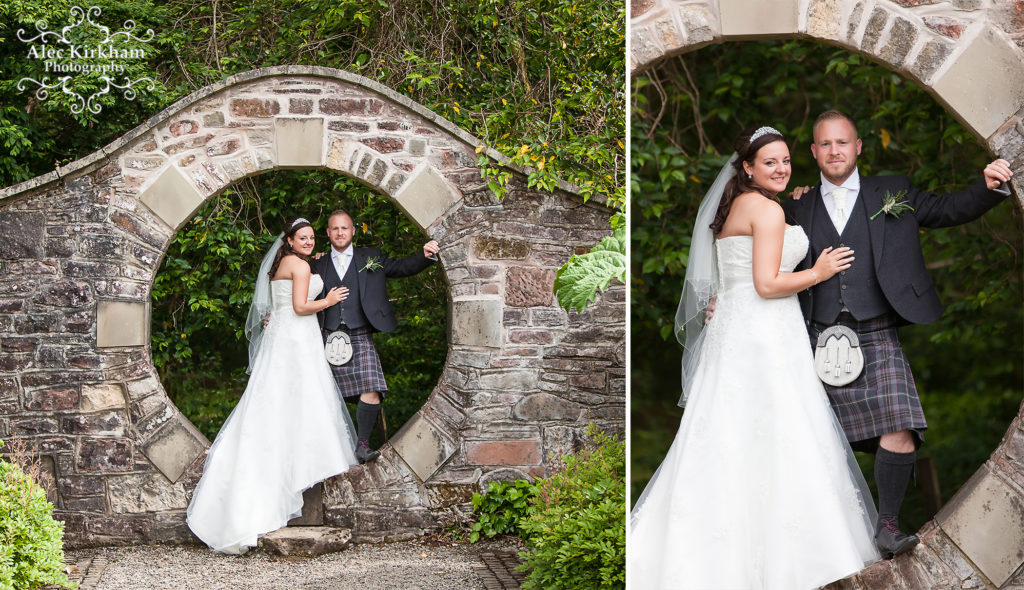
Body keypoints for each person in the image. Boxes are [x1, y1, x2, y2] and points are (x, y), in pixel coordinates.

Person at [629, 126, 881, 589]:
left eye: (786, 161)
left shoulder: (740, 206)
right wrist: (820, 270)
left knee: (730, 435)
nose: (782, 169)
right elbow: (766, 285)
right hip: (765, 332)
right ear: (747, 167)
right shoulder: (764, 209)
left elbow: (737, 279)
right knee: (779, 433)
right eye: (770, 162)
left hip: (738, 330)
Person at [781, 109, 1012, 558]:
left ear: (858, 147)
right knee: (813, 437)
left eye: (842, 142)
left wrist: (987, 188)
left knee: (901, 426)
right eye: (825, 144)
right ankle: (816, 536)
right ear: (813, 152)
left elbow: (946, 209)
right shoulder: (796, 206)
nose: (834, 151)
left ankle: (887, 527)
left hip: (877, 329)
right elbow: (760, 255)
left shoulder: (893, 190)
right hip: (814, 333)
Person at [186, 217, 360, 554]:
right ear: (291, 240)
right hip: (296, 338)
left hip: (286, 337)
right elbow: (299, 307)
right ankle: (294, 469)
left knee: (276, 403)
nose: (309, 242)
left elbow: (283, 303)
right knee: (299, 401)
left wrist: (314, 260)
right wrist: (330, 299)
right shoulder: (298, 265)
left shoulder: (285, 262)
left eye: (312, 238)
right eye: (303, 238)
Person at [309, 210, 439, 463]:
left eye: (344, 228)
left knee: (372, 388)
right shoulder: (317, 263)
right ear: (327, 232)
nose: (340, 233)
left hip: (360, 333)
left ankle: (362, 445)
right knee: (320, 393)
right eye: (335, 229)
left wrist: (424, 256)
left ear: (353, 231)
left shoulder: (371, 256)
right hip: (324, 335)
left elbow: (401, 267)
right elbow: (294, 284)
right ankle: (323, 448)